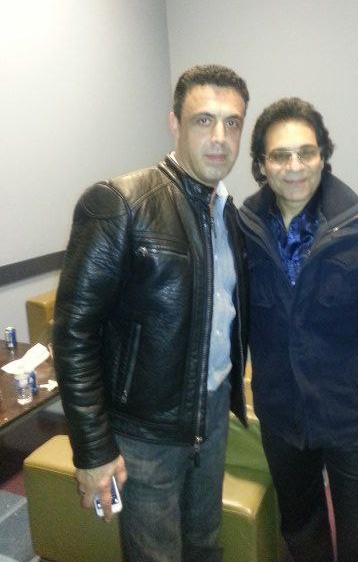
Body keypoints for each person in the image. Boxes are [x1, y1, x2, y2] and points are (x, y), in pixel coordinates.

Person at [53, 64, 250, 562]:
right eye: (204, 120)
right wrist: (93, 450)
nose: (219, 136)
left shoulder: (228, 214)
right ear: (174, 124)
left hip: (211, 417)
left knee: (204, 545)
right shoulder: (121, 203)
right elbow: (74, 334)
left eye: (232, 123)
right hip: (144, 434)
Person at [238, 97, 358, 562]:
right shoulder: (243, 228)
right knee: (300, 526)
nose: (295, 167)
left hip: (353, 416)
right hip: (282, 416)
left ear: (323, 156)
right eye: (280, 155)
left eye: (307, 152)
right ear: (261, 164)